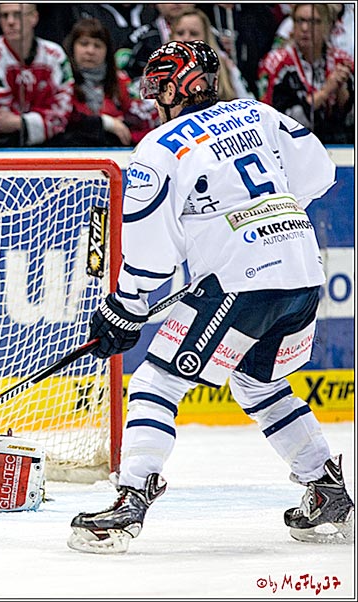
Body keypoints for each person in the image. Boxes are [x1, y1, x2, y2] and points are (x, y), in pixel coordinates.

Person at [67, 40, 354, 554]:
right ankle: (329, 493)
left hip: (243, 278)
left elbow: (150, 253)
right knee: (257, 385)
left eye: (160, 84)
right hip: (303, 267)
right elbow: (320, 174)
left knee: (157, 378)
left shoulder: (159, 147)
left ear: (185, 84)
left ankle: (131, 497)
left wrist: (126, 307)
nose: (154, 96)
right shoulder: (258, 113)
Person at [0, 3, 73, 147]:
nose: (10, 21)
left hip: (52, 144)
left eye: (17, 15)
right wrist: (40, 121)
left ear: (34, 18)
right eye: (4, 16)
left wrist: (21, 122)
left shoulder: (55, 54)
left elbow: (63, 111)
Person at [257, 3, 354, 145]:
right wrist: (325, 92)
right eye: (300, 20)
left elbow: (351, 120)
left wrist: (343, 95)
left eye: (314, 22)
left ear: (327, 25)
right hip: (289, 145)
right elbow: (277, 120)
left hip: (339, 147)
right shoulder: (276, 64)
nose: (305, 28)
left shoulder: (342, 61)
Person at [61, 18, 156, 147]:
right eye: (84, 44)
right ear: (72, 47)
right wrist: (105, 123)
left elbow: (140, 121)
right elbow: (64, 121)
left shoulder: (120, 81)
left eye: (97, 45)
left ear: (107, 51)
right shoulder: (61, 79)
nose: (90, 51)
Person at [169, 7, 253, 101]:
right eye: (180, 33)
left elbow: (248, 101)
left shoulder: (225, 65)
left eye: (194, 33)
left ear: (206, 38)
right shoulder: (158, 69)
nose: (186, 38)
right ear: (171, 37)